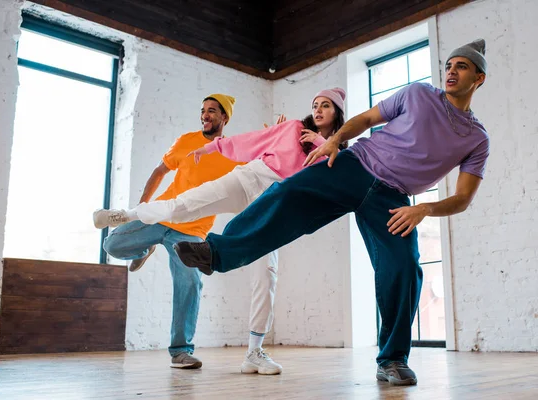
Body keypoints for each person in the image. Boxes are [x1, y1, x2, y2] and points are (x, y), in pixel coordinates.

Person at [173, 40, 490, 386]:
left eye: (461, 67)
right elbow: (369, 118)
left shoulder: (476, 139)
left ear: (479, 78)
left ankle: (393, 360)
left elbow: (462, 198)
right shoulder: (417, 94)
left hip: (394, 198)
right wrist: (335, 140)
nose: (451, 72)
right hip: (356, 165)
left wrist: (425, 209)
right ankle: (217, 252)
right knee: (289, 192)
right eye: (448, 65)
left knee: (404, 268)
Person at [95, 88, 348, 374]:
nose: (317, 110)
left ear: (337, 113)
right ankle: (124, 214)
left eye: (325, 106)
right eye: (315, 104)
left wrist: (320, 142)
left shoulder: (337, 154)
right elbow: (252, 142)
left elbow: (332, 176)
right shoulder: (292, 128)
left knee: (266, 273)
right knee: (185, 203)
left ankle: (254, 352)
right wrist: (213, 146)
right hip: (248, 179)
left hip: (274, 204)